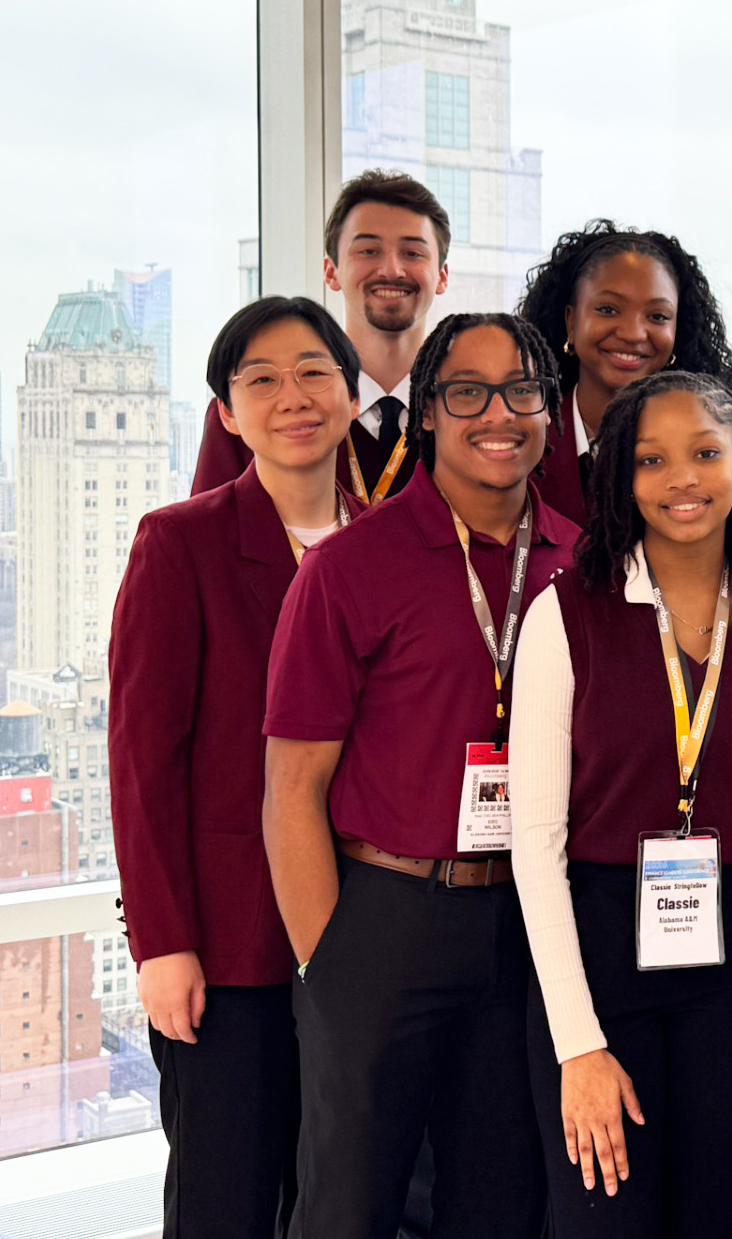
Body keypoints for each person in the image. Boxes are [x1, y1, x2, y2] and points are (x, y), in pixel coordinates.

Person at [263, 312, 578, 1239]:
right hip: (385, 917)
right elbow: (291, 786)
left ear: (549, 411)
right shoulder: (350, 566)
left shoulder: (584, 564)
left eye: (522, 391)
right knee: (348, 1204)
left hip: (529, 924)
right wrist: (327, 962)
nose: (499, 414)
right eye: (468, 392)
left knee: (500, 1203)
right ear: (428, 412)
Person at [508, 370, 732, 1237]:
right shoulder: (566, 612)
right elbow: (535, 841)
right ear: (622, 475)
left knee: (714, 1215)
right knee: (604, 1215)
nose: (682, 478)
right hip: (600, 946)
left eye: (705, 452)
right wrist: (578, 1042)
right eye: (651, 459)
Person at [110, 296, 364, 1239]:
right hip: (231, 947)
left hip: (367, 939)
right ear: (227, 411)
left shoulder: (391, 542)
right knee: (226, 1201)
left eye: (313, 373)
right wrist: (162, 943)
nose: (292, 396)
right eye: (261, 379)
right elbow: (142, 763)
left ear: (351, 397)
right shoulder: (181, 542)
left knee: (340, 1202)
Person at [193, 170, 451, 505]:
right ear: (331, 271)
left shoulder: (474, 411)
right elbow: (205, 528)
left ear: (442, 276)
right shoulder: (253, 406)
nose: (391, 269)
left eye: (413, 253)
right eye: (368, 251)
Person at [514, 220, 732, 527]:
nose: (634, 333)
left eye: (657, 316)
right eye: (608, 309)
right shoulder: (521, 448)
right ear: (571, 322)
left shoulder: (715, 456)